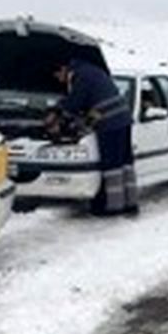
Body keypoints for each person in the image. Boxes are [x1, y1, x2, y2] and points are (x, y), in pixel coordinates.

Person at [52, 58, 138, 216]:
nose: (59, 80)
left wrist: (57, 112)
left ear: (63, 70)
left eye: (58, 76)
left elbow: (75, 102)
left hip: (110, 122)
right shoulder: (91, 70)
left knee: (111, 165)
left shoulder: (80, 76)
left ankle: (113, 207)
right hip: (123, 119)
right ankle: (131, 203)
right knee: (125, 161)